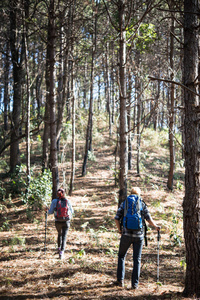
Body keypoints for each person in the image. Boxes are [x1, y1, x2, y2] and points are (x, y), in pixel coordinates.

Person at [114, 187, 160, 289]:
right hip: (139, 236)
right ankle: (134, 285)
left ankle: (120, 280)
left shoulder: (125, 203)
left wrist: (120, 230)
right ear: (139, 194)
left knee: (121, 256)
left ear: (130, 193)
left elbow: (116, 218)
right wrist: (156, 226)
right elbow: (148, 218)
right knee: (137, 259)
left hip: (126, 234)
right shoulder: (141, 203)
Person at [47, 188, 74, 259]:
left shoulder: (54, 201)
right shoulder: (67, 201)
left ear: (57, 194)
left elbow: (50, 212)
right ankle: (62, 252)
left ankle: (58, 248)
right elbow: (72, 211)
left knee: (59, 234)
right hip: (66, 221)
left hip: (57, 221)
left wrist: (47, 210)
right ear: (64, 193)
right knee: (64, 236)